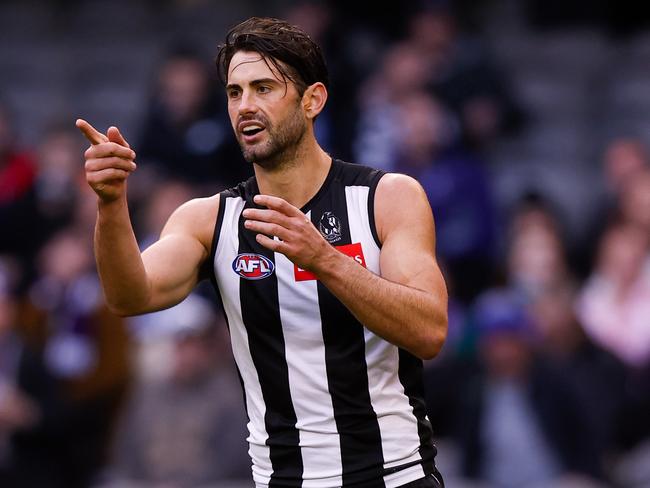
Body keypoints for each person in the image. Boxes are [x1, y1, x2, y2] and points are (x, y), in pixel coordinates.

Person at [76, 16, 448, 488]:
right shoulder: (210, 218)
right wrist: (111, 205)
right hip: (281, 480)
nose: (245, 107)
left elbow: (429, 330)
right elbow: (129, 296)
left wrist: (325, 259)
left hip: (394, 476)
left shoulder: (387, 197)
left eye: (264, 88)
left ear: (312, 100)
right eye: (235, 93)